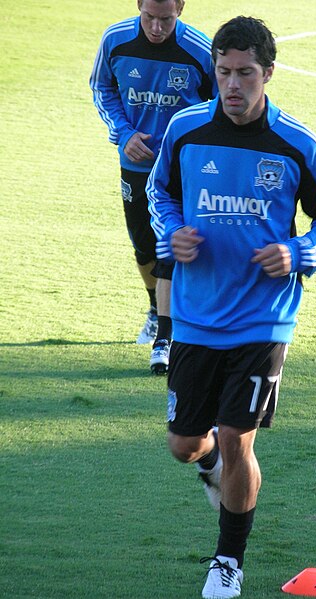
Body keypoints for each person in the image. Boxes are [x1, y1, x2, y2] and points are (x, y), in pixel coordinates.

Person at [147, 15, 316, 598]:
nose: (232, 85)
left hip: (264, 316)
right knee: (186, 446)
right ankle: (211, 464)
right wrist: (173, 231)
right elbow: (161, 192)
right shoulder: (185, 130)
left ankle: (227, 561)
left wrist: (300, 251)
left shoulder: (297, 143)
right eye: (223, 72)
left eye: (244, 74)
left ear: (268, 74)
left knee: (239, 436)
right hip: (195, 312)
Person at [89, 0, 216, 373]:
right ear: (138, 5)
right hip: (136, 163)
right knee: (143, 244)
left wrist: (190, 148)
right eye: (150, 17)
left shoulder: (199, 50)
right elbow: (102, 87)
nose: (157, 27)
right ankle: (154, 306)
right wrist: (124, 133)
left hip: (181, 169)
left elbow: (219, 103)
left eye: (166, 19)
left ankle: (167, 335)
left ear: (181, 9)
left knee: (170, 245)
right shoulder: (115, 40)